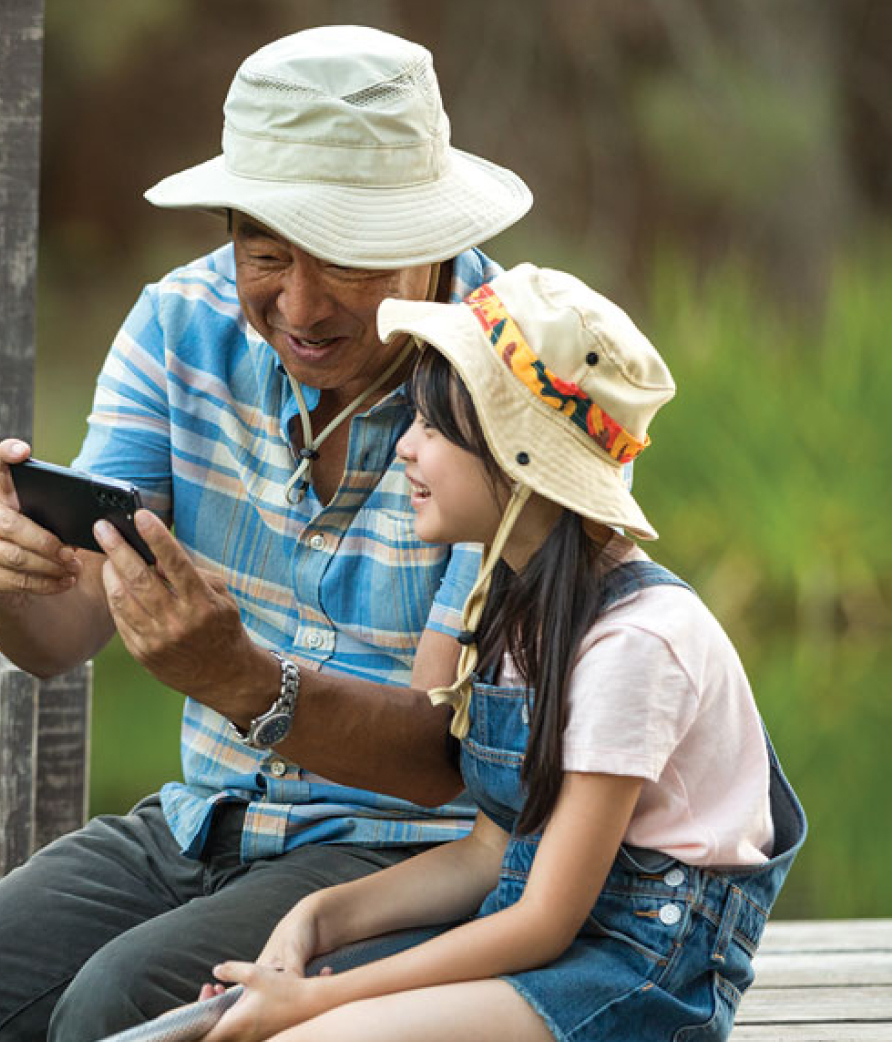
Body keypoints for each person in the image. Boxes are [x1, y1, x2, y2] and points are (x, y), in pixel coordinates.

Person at [0, 25, 532, 1042]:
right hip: (203, 818)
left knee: (119, 1007)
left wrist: (247, 680)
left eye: (341, 257)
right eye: (264, 252)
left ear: (424, 231)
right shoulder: (179, 322)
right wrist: (3, 581)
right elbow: (59, 636)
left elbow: (445, 761)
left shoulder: (516, 373)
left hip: (413, 859)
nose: (299, 303)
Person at [196, 264, 806, 1042]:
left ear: (520, 456)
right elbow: (489, 854)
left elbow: (543, 921)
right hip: (552, 937)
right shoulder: (517, 610)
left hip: (640, 972)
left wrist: (322, 1004)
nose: (406, 450)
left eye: (436, 428)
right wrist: (314, 920)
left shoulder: (634, 644)